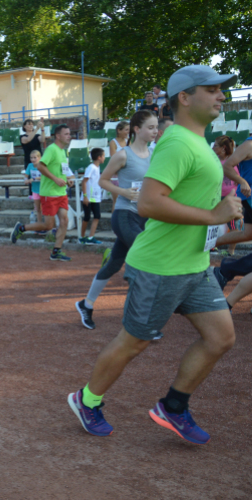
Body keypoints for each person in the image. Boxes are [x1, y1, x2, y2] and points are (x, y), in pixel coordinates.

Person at [68, 65, 240, 444]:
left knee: (220, 337)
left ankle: (174, 406)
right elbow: (148, 203)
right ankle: (87, 399)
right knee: (135, 342)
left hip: (194, 264)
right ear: (184, 97)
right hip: (161, 265)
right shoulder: (178, 143)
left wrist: (222, 207)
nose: (221, 96)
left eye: (220, 90)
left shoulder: (198, 143)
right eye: (211, 90)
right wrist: (214, 214)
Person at [75, 110, 158, 329]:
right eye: (150, 127)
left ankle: (87, 303)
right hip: (124, 215)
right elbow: (103, 181)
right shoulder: (123, 155)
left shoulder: (153, 154)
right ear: (137, 130)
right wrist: (124, 192)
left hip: (144, 218)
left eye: (156, 127)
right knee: (147, 258)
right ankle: (142, 319)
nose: (155, 131)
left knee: (114, 263)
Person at [10, 125, 75, 261]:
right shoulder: (52, 149)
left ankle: (56, 251)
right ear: (58, 136)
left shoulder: (63, 151)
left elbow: (61, 170)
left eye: (69, 133)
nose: (69, 136)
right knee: (48, 225)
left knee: (64, 221)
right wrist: (56, 179)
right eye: (66, 134)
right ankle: (22, 228)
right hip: (49, 193)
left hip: (61, 192)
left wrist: (67, 179)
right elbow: (40, 166)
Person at [214, 135, 241, 255]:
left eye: (215, 146)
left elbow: (237, 180)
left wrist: (232, 195)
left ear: (223, 148)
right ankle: (213, 245)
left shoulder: (231, 163)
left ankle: (231, 250)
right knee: (214, 222)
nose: (213, 148)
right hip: (217, 197)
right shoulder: (214, 161)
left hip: (230, 196)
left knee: (234, 223)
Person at [79, 148, 105, 245]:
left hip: (95, 197)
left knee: (97, 216)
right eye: (103, 156)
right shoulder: (91, 167)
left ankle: (91, 237)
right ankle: (82, 237)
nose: (104, 158)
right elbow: (84, 181)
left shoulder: (97, 168)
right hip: (88, 198)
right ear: (99, 157)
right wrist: (85, 196)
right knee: (86, 217)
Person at [25, 150, 43, 225]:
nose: (33, 159)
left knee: (45, 209)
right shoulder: (30, 165)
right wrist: (26, 180)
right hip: (35, 190)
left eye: (35, 157)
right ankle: (39, 224)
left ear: (39, 158)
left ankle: (50, 225)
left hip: (43, 190)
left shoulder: (42, 165)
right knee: (38, 209)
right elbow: (26, 175)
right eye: (31, 158)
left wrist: (34, 179)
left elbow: (44, 176)